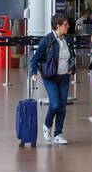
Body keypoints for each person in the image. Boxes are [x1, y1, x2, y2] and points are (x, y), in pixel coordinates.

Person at [29, 13, 75, 144]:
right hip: (50, 77)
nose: (68, 26)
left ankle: (58, 134)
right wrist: (33, 72)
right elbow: (35, 58)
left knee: (62, 107)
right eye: (65, 24)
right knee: (55, 105)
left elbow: (71, 56)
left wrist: (72, 68)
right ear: (58, 26)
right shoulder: (47, 40)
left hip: (64, 77)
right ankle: (47, 125)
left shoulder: (67, 40)